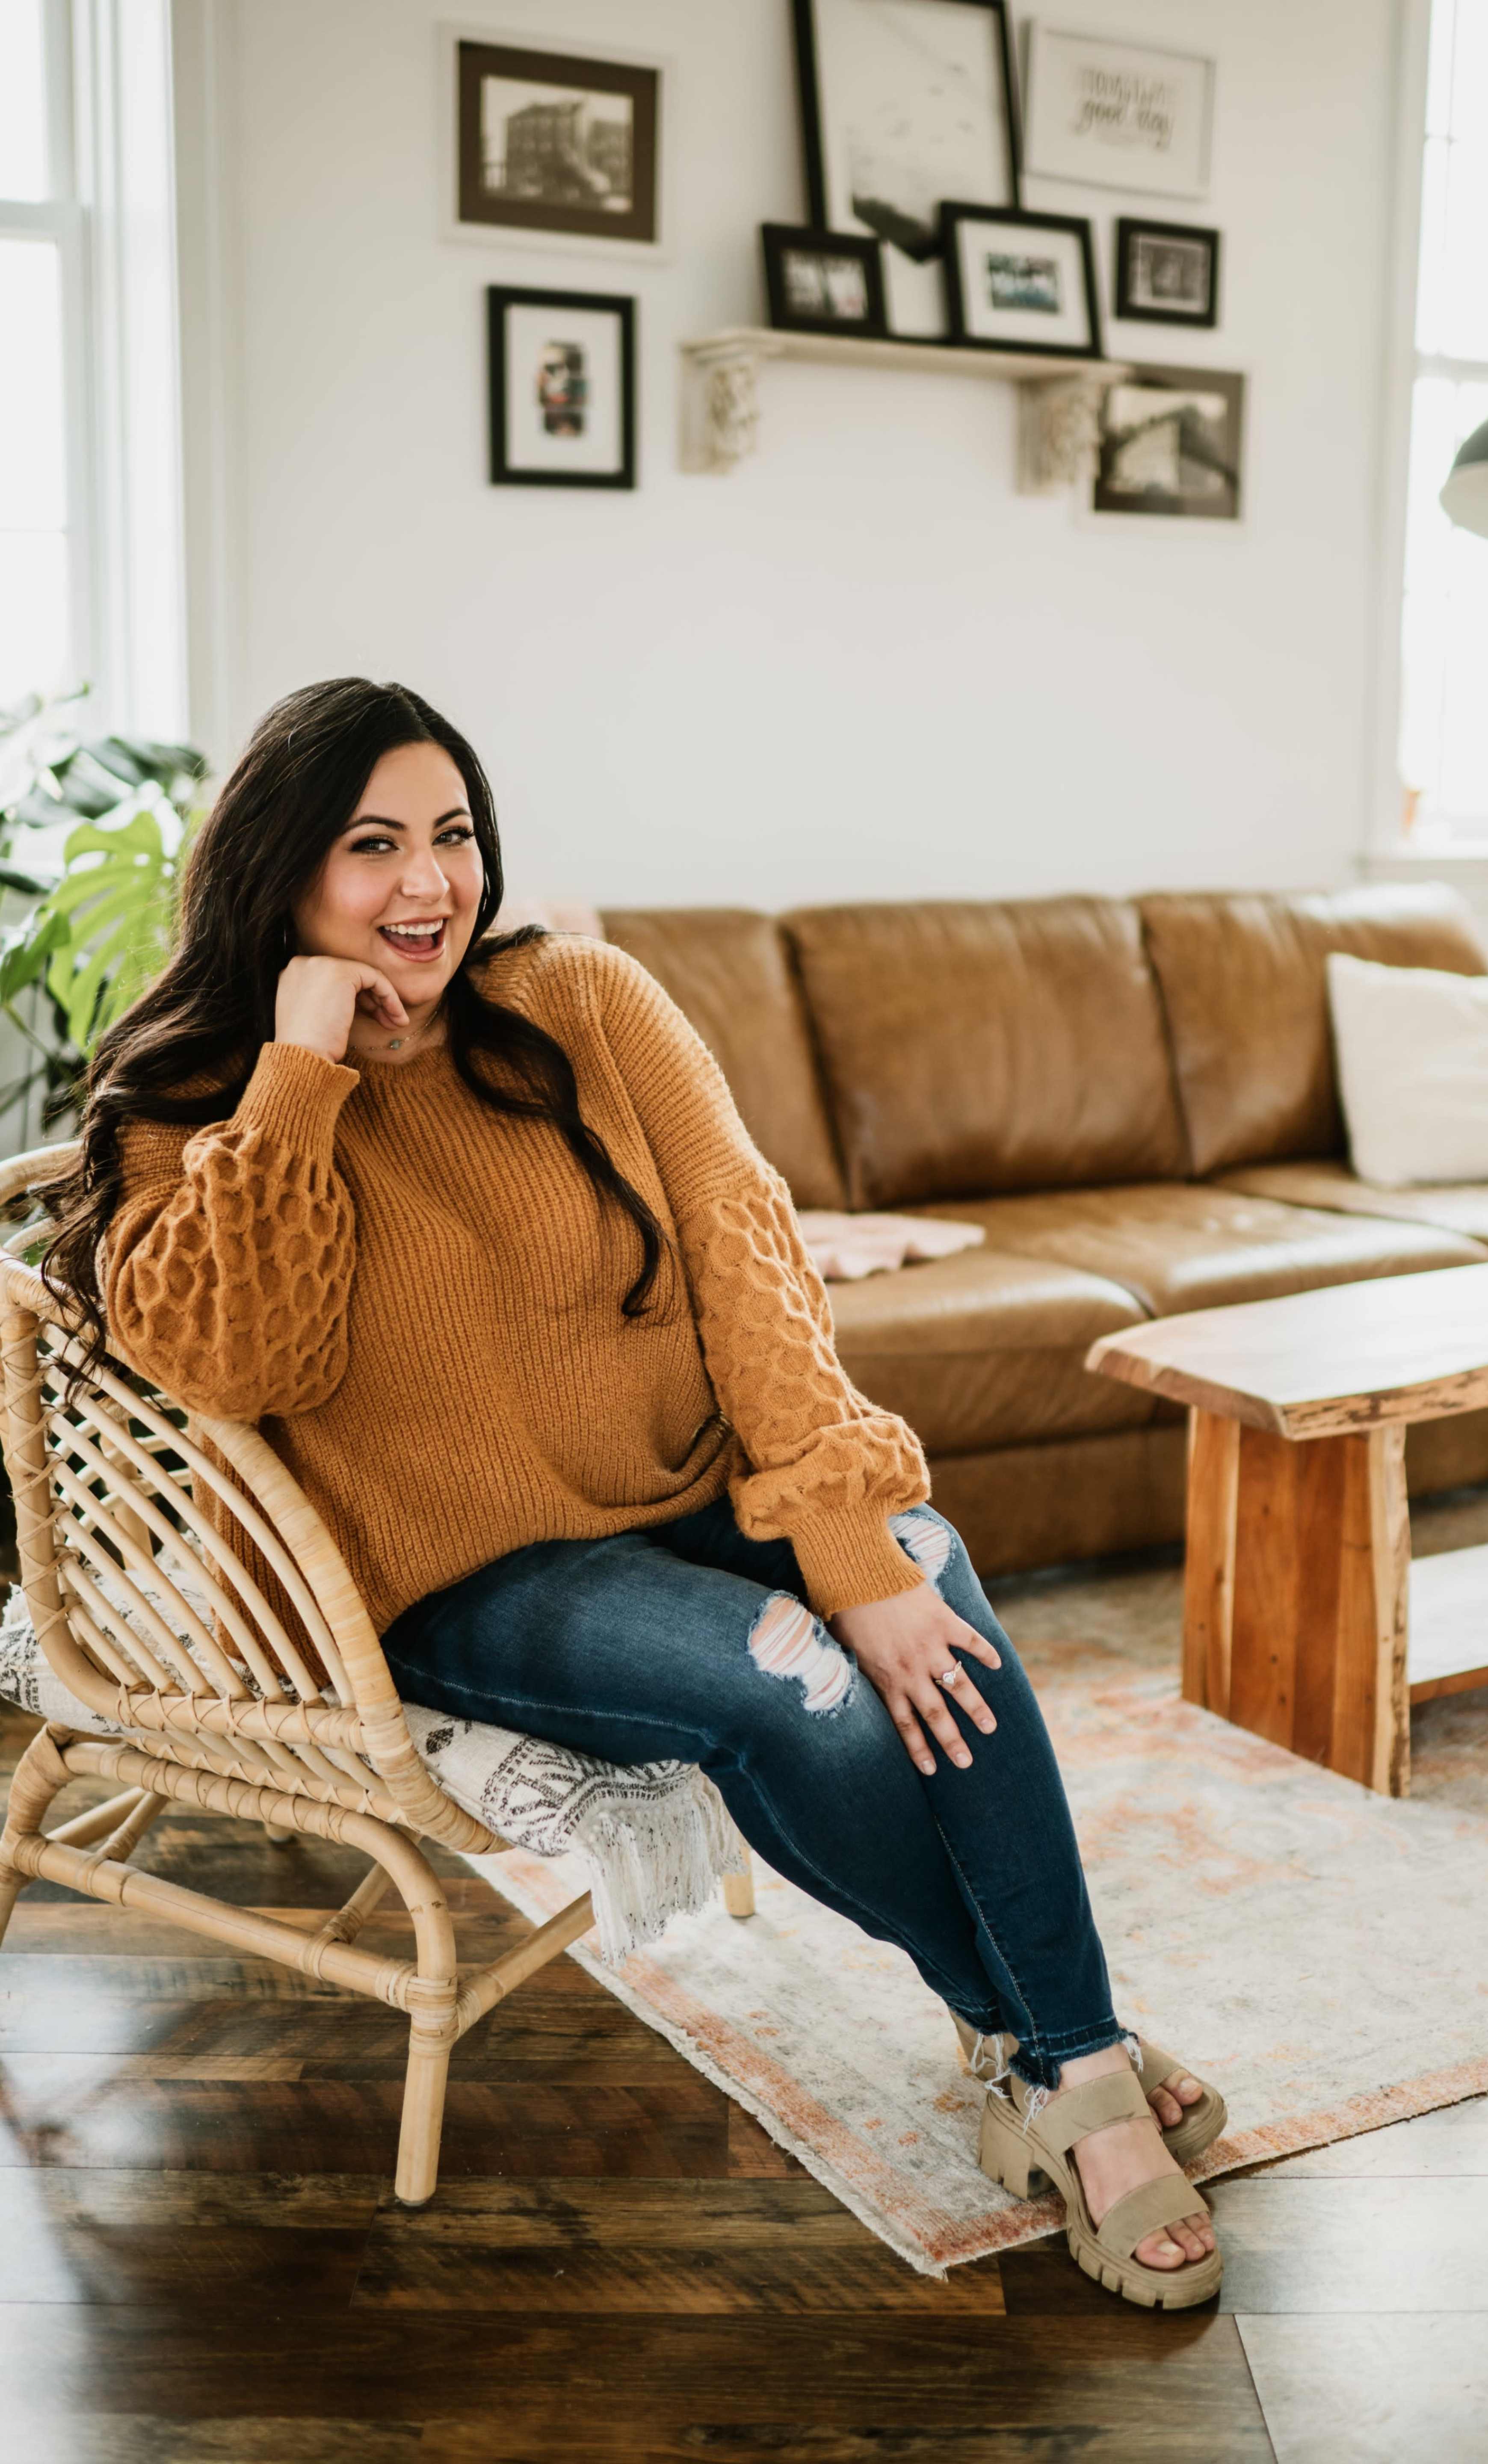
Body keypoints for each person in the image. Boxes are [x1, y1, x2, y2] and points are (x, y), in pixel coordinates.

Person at [42, 677, 1224, 2308]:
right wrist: (300, 1072)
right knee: (802, 1697)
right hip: (474, 1573)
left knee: (922, 1573)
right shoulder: (203, 1108)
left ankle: (1050, 2061)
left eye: (451, 836)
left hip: (686, 1486)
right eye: (372, 844)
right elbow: (242, 1358)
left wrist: (844, 1538)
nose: (428, 884)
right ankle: (1076, 2068)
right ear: (283, 870)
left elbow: (753, 1268)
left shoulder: (584, 1001)